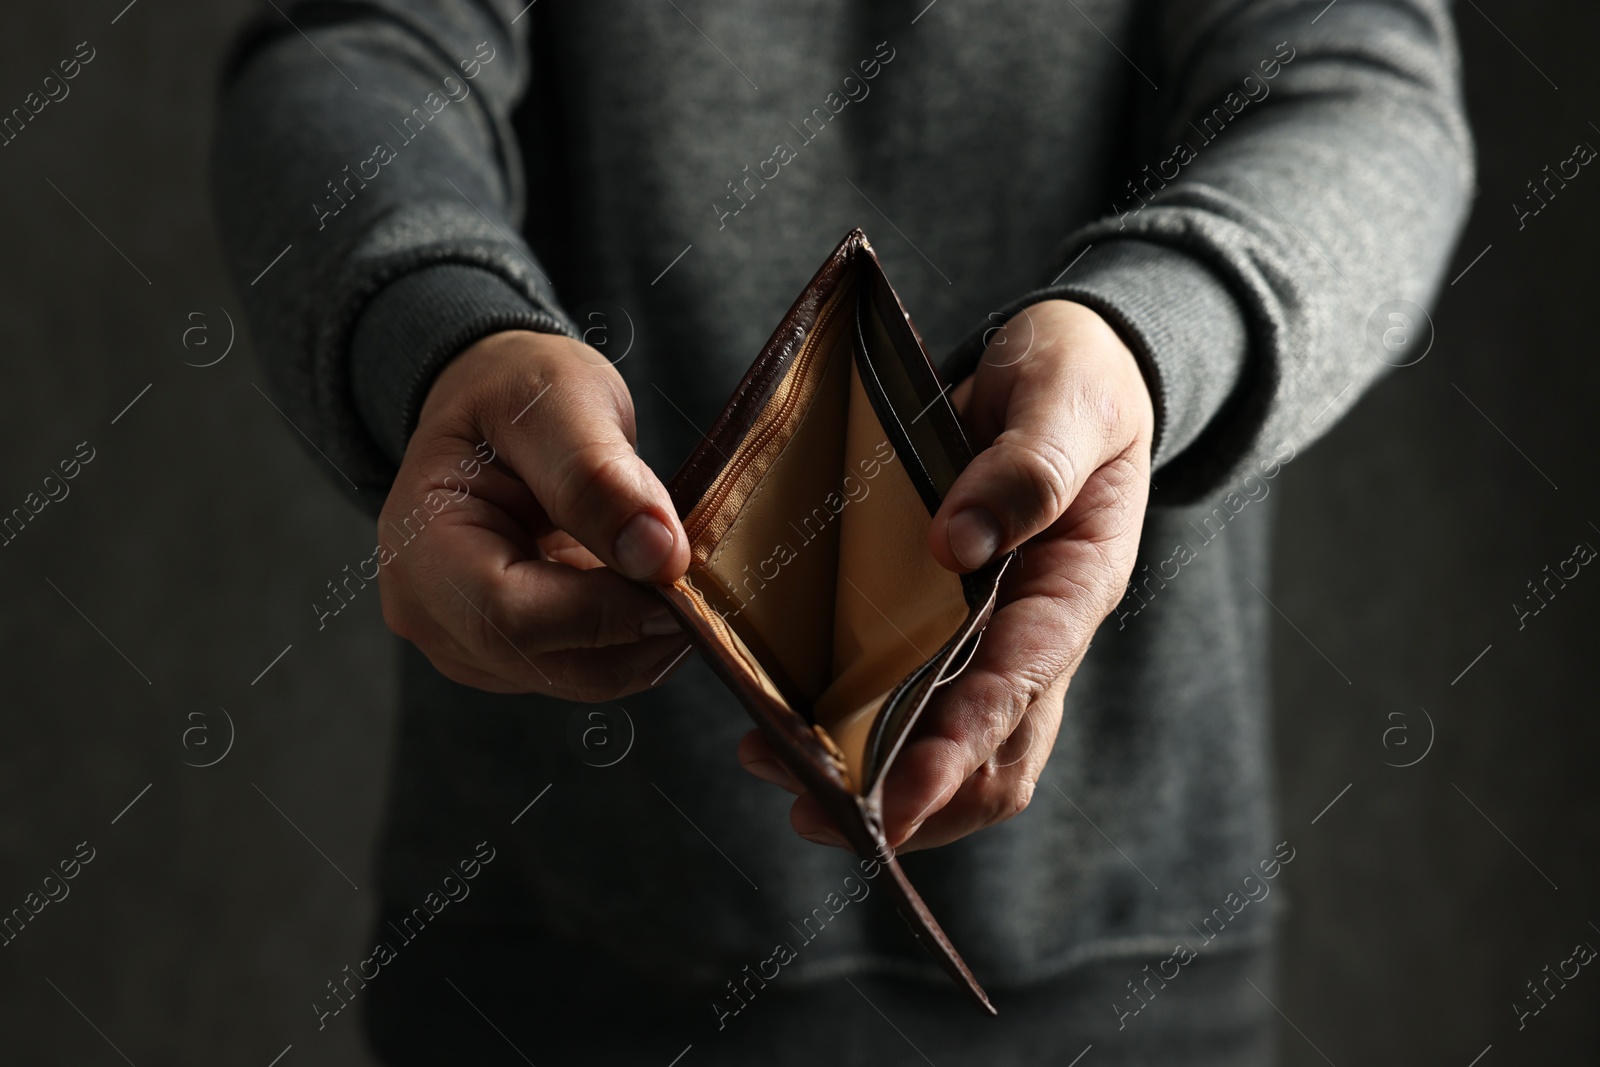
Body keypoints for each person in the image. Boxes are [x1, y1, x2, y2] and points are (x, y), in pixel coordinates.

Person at [213, 1, 1472, 1063]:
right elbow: (354, 48)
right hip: (550, 946)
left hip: (1121, 958)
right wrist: (439, 333)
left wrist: (1151, 343)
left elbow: (1361, 86)